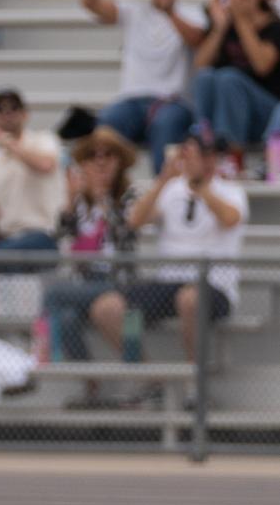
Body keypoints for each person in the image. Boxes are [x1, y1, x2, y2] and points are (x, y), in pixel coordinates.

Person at [87, 129, 245, 381]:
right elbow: (134, 221)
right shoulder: (171, 190)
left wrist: (200, 186)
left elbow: (230, 219)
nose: (200, 160)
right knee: (107, 308)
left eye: (206, 154)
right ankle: (151, 380)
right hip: (167, 285)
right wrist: (162, 181)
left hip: (214, 287)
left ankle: (197, 385)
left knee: (189, 299)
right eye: (193, 153)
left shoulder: (229, 191)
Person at [84, 0, 202, 170]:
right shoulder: (133, 10)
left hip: (172, 102)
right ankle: (108, 197)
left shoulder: (191, 12)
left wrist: (169, 12)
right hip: (132, 101)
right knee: (105, 127)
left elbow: (196, 39)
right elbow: (89, 2)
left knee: (166, 127)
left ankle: (164, 197)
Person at [40, 129, 141, 394]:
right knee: (67, 317)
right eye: (94, 156)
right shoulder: (78, 204)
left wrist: (104, 203)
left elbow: (127, 234)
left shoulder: (127, 198)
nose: (101, 162)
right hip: (83, 284)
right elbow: (59, 238)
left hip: (116, 281)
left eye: (108, 155)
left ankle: (40, 359)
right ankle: (91, 385)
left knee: (54, 295)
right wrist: (71, 200)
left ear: (119, 162)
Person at [188, 0, 280, 158]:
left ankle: (230, 153)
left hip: (266, 113)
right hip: (226, 111)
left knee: (229, 78)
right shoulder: (223, 25)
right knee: (206, 77)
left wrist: (241, 21)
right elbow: (199, 67)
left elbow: (262, 65)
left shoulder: (274, 26)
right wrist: (220, 29)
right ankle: (203, 145)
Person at [0, 89, 64, 254]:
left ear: (25, 114)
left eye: (13, 108)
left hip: (42, 234)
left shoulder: (43, 140)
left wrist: (5, 141)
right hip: (7, 237)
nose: (7, 114)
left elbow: (45, 165)